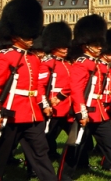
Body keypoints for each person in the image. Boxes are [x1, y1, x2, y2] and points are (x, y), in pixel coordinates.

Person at [57, 14, 111, 181]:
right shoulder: (81, 63)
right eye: (96, 44)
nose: (100, 47)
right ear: (86, 46)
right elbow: (76, 89)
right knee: (74, 145)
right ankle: (63, 176)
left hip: (98, 112)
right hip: (85, 111)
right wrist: (80, 111)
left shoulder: (95, 64)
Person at [0, 0, 56, 181]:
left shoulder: (33, 58)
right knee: (2, 153)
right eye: (27, 35)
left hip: (32, 113)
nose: (31, 38)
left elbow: (37, 87)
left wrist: (44, 103)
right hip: (12, 112)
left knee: (40, 150)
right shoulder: (5, 57)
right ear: (16, 34)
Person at [38, 21, 73, 161]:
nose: (65, 49)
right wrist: (45, 104)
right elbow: (41, 85)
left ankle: (80, 162)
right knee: (47, 136)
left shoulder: (66, 64)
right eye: (61, 46)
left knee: (75, 136)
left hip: (67, 106)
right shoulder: (47, 64)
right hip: (55, 106)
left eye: (66, 46)